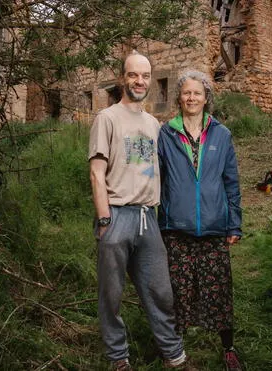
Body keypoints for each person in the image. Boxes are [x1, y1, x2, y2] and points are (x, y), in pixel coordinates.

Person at [88, 52, 195, 371]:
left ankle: (173, 355)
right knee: (112, 294)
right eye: (134, 75)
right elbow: (96, 171)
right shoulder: (106, 118)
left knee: (161, 291)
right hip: (116, 215)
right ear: (123, 78)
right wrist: (104, 218)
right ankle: (118, 358)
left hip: (149, 219)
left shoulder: (153, 125)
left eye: (146, 76)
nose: (140, 81)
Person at [157, 70, 243, 371]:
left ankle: (228, 348)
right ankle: (174, 350)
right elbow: (155, 179)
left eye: (197, 93)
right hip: (175, 228)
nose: (191, 98)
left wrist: (234, 224)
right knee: (177, 291)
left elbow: (231, 182)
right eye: (186, 93)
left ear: (206, 98)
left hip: (213, 227)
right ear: (179, 98)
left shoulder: (222, 134)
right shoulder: (165, 134)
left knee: (219, 289)